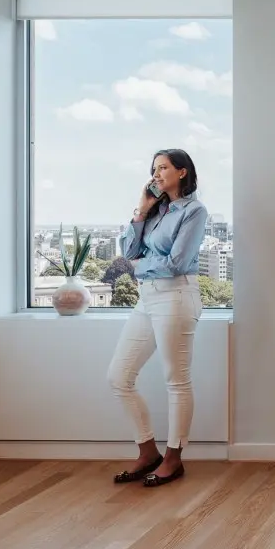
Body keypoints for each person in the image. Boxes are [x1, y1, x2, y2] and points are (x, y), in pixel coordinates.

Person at [107, 149, 208, 487]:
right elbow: (128, 251)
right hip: (147, 299)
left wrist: (139, 268)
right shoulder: (155, 211)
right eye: (153, 169)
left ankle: (174, 457)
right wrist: (142, 209)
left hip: (177, 296)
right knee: (119, 377)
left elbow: (177, 262)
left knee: (175, 379)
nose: (156, 174)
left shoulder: (193, 211)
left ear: (182, 172)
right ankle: (148, 451)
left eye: (163, 168)